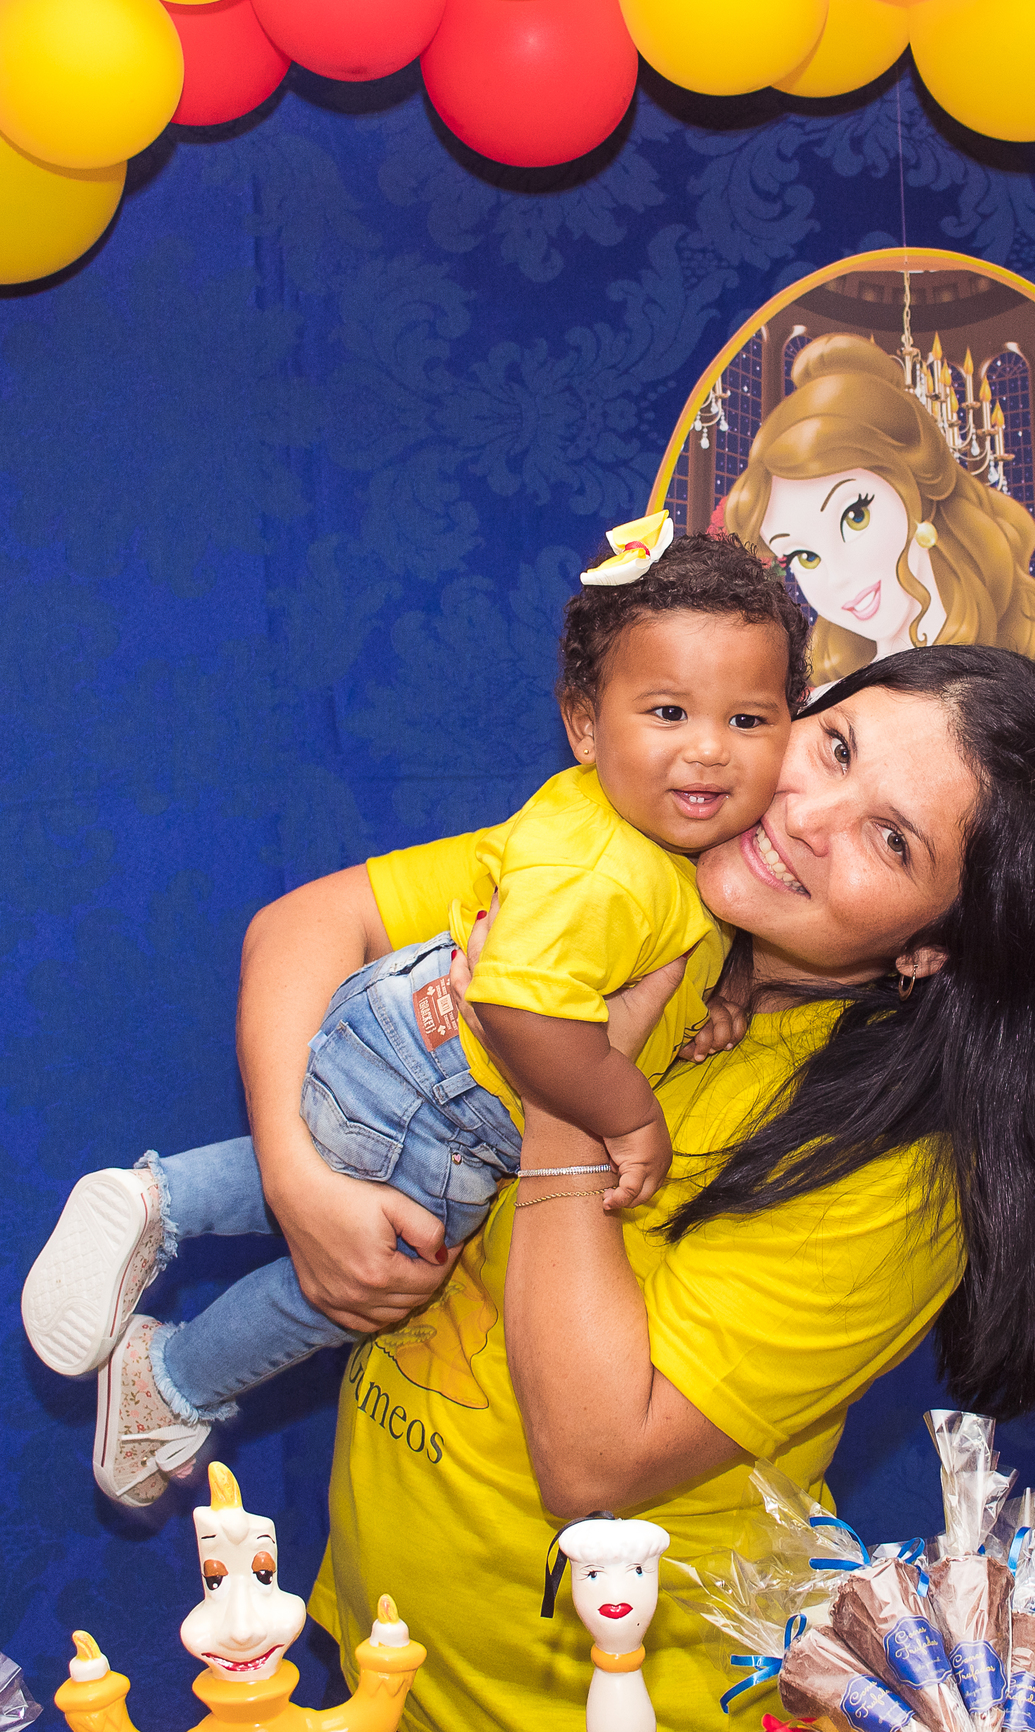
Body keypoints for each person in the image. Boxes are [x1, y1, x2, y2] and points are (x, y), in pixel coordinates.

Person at [231, 644, 1035, 1732]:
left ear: (931, 949)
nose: (808, 815)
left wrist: (565, 1079)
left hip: (614, 1703)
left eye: (892, 840)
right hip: (383, 1662)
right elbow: (304, 929)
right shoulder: (624, 859)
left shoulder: (903, 1176)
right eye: (835, 747)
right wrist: (299, 1184)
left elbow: (593, 1460)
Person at [21, 529, 808, 1511]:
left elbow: (664, 946)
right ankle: (174, 1379)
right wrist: (629, 1115)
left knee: (339, 1159)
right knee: (391, 1264)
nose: (708, 747)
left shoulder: (620, 830)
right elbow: (520, 1009)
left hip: (402, 1034)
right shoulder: (607, 872)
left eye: (747, 718)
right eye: (667, 711)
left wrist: (719, 998)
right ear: (584, 723)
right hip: (454, 1087)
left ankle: (159, 1201)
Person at [722, 333, 1035, 690]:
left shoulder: (999, 678)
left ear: (914, 492)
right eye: (805, 557)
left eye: (855, 516)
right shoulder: (830, 696)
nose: (837, 576)